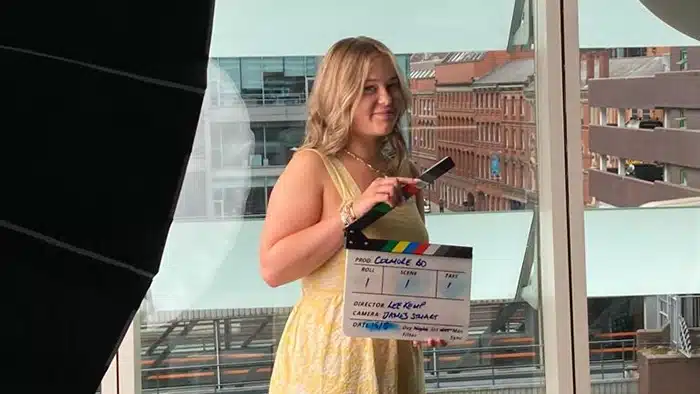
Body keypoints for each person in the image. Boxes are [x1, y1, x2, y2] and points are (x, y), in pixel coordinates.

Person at [259, 36, 445, 394]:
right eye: (368, 89)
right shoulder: (311, 165)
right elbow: (273, 269)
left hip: (395, 359)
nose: (386, 99)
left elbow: (407, 270)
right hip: (332, 359)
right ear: (340, 96)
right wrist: (352, 212)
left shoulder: (401, 167)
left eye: (392, 86)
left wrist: (428, 316)